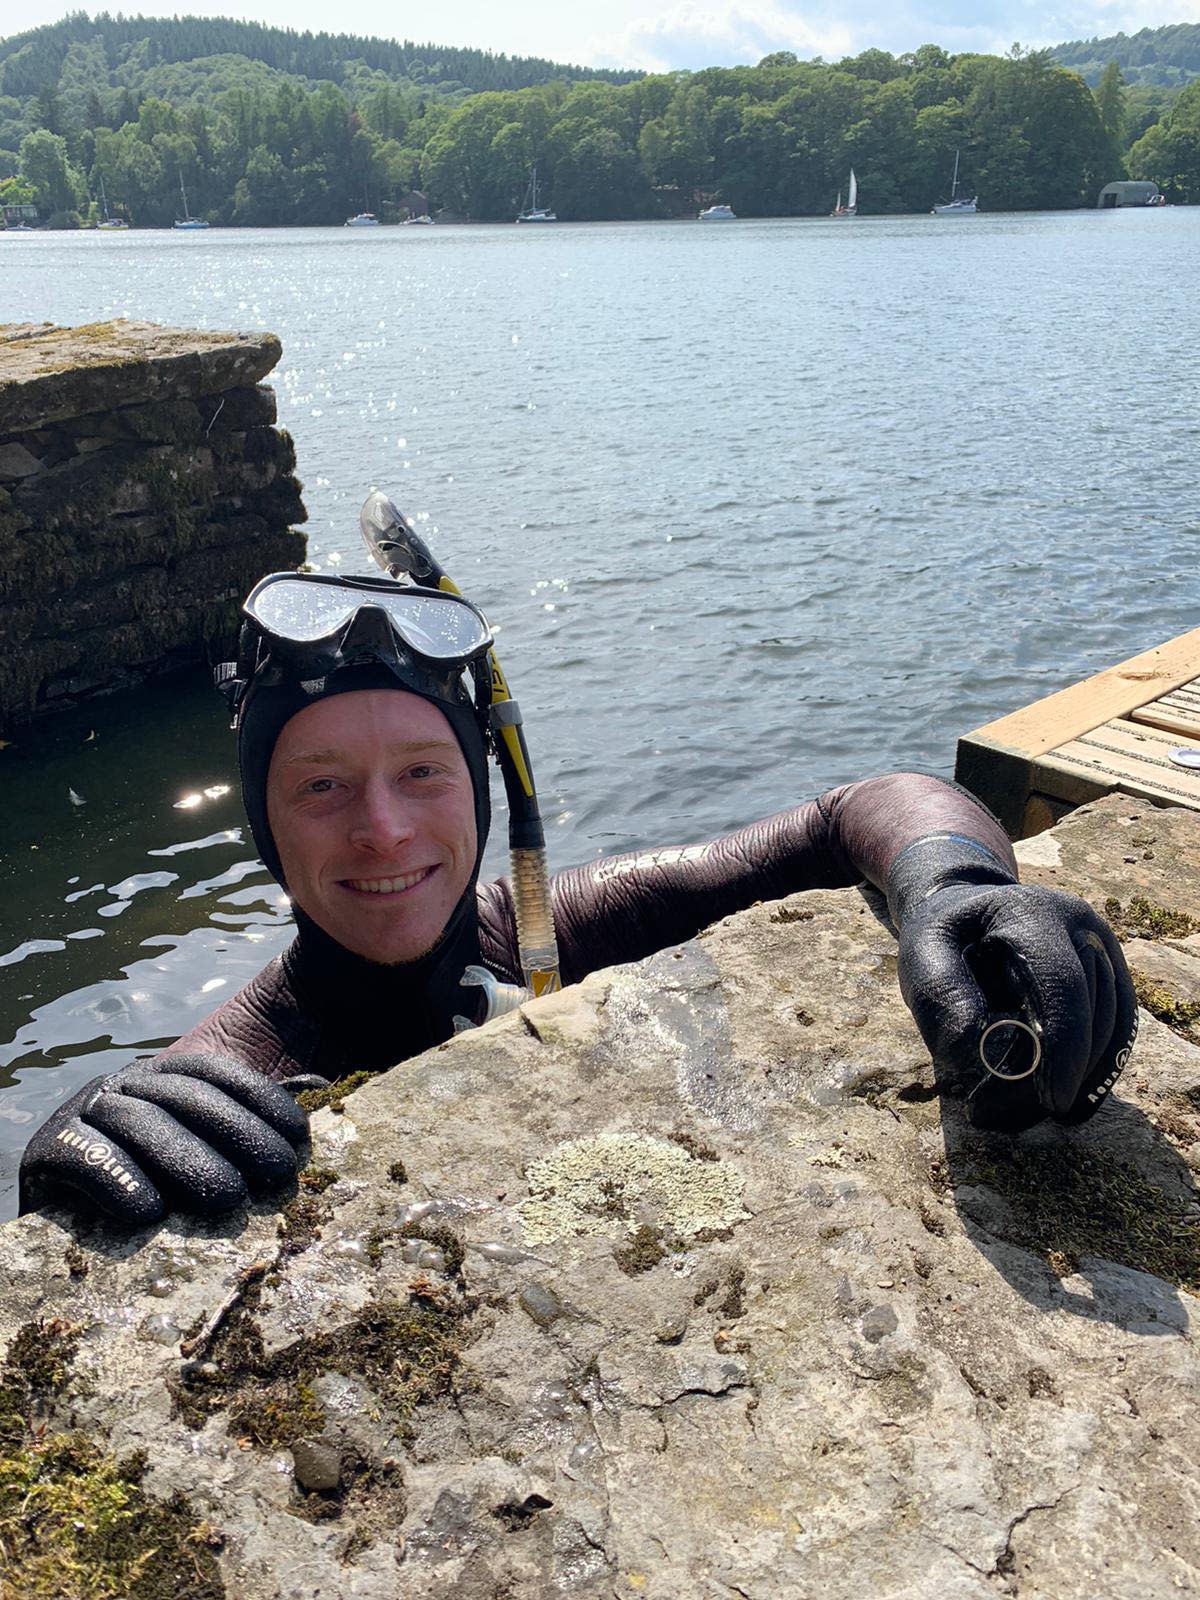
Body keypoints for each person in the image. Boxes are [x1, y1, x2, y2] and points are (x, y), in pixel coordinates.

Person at [19, 559, 1137, 1225]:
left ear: (479, 789)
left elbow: (862, 805)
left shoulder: (549, 933)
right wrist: (65, 1178)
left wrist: (950, 885)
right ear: (263, 828)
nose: (383, 827)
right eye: (320, 787)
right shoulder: (227, 1072)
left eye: (422, 772)